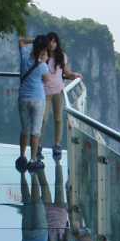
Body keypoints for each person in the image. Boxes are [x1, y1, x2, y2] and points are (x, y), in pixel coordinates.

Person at [40, 31, 82, 160]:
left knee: (58, 119)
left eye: (54, 41)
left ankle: (57, 145)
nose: (52, 44)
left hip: (58, 91)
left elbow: (66, 72)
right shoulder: (43, 56)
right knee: (43, 119)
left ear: (57, 43)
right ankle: (38, 145)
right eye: (50, 41)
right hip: (45, 92)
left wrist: (75, 75)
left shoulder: (62, 57)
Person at [17, 34, 49, 172]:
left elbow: (21, 40)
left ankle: (22, 157)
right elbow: (46, 80)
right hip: (38, 99)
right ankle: (33, 159)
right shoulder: (43, 66)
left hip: (23, 98)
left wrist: (34, 40)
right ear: (43, 50)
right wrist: (45, 59)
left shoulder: (24, 57)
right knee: (36, 131)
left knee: (25, 130)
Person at [36, 158, 70, 241]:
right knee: (58, 185)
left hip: (48, 212)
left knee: (45, 187)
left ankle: (38, 164)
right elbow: (68, 229)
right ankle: (58, 162)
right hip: (60, 213)